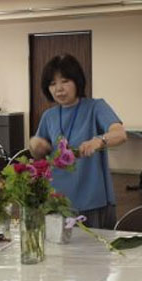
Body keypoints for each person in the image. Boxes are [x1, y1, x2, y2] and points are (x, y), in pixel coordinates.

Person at [29, 54, 127, 229]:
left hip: (91, 200)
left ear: (77, 82)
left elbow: (119, 134)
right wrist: (35, 145)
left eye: (65, 81)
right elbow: (38, 153)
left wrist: (99, 141)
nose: (59, 89)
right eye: (52, 84)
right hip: (56, 201)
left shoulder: (95, 107)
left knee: (95, 252)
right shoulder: (49, 116)